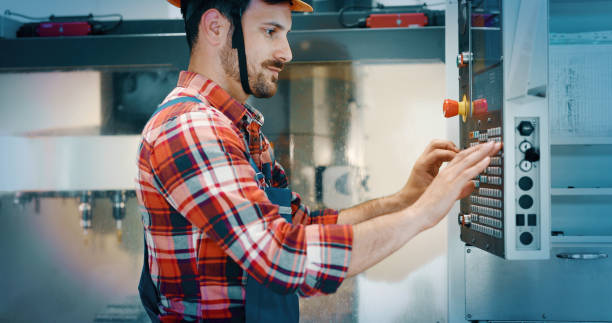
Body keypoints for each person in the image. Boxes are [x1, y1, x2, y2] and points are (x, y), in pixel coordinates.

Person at [135, 0, 502, 321]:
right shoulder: (191, 126)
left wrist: (406, 199)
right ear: (216, 27)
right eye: (271, 31)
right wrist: (424, 213)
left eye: (285, 34)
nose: (286, 52)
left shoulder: (238, 128)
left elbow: (302, 225)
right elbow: (280, 258)